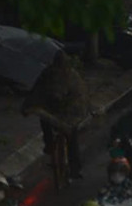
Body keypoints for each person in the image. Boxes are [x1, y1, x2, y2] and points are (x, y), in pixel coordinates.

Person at [22, 51, 91, 181]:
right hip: (59, 112)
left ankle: (53, 148)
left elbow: (38, 91)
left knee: (70, 136)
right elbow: (38, 90)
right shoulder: (65, 74)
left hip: (69, 113)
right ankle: (72, 166)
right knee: (69, 137)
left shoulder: (66, 76)